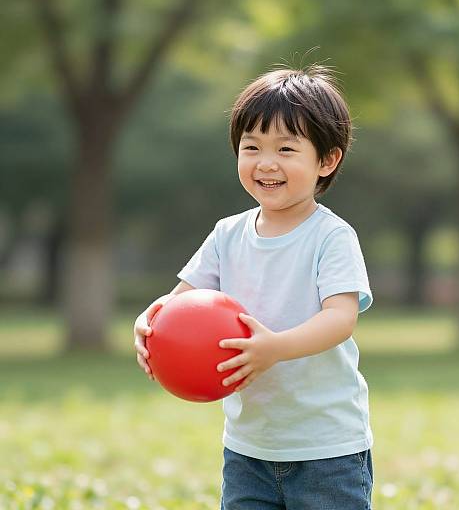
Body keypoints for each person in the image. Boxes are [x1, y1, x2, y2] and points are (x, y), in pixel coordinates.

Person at [134, 64, 374, 509]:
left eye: (286, 148)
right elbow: (181, 302)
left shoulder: (331, 236)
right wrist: (149, 322)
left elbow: (341, 319)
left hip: (327, 448)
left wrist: (275, 347)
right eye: (252, 147)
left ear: (327, 160)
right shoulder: (227, 234)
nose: (266, 163)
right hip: (249, 446)